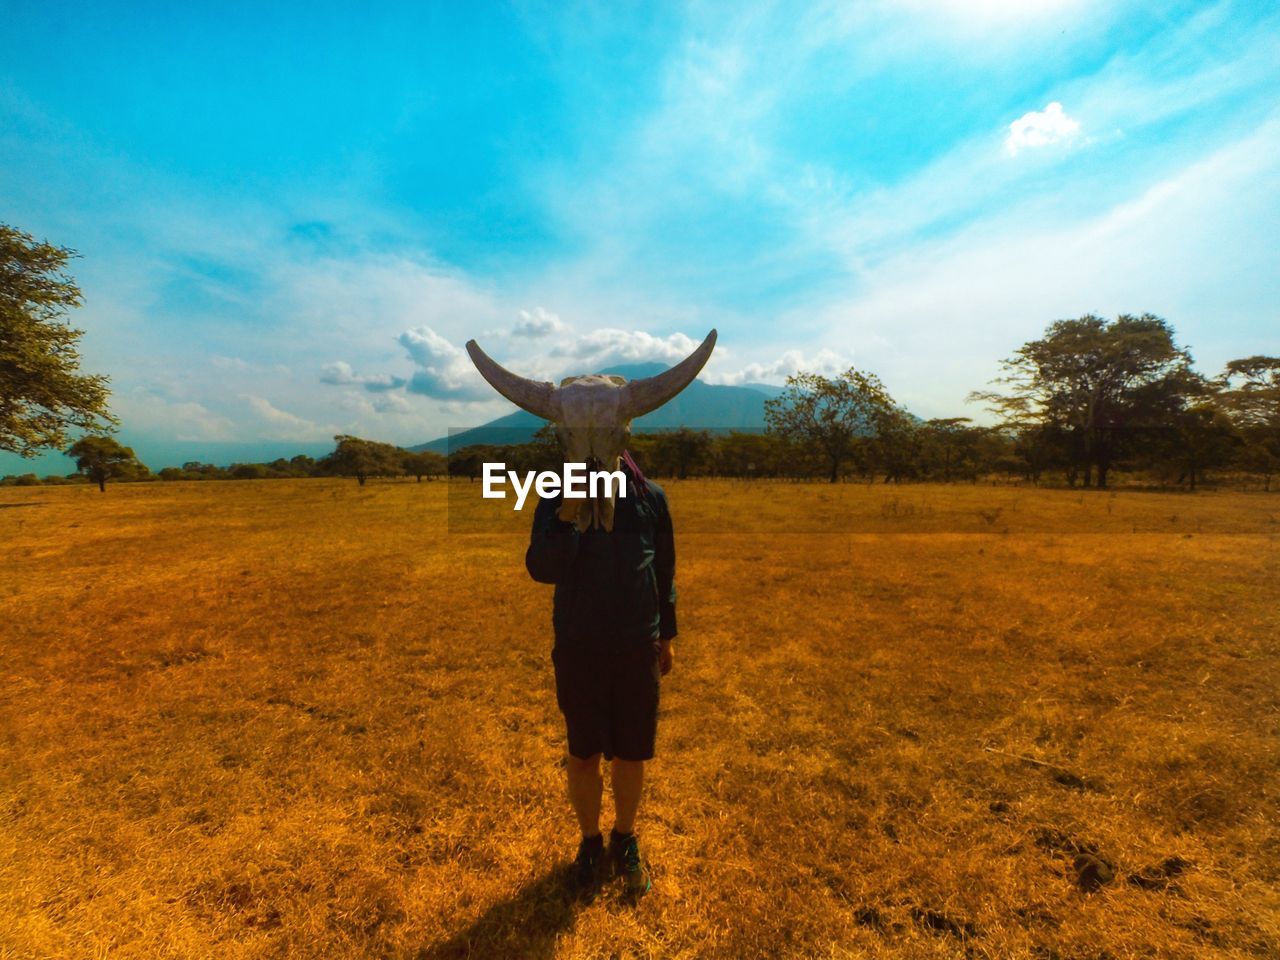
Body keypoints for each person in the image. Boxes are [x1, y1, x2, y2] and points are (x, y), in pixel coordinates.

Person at [524, 453, 676, 901]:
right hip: (579, 645)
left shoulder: (650, 496)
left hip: (637, 645)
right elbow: (541, 568)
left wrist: (666, 635)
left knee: (632, 754)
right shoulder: (554, 494)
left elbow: (663, 569)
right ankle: (590, 842)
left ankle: (624, 836)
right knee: (584, 753)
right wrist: (568, 512)